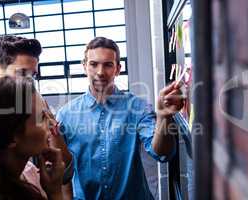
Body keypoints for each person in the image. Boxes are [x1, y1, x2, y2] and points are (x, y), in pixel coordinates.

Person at [56, 37, 184, 199]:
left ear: (118, 69)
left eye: (108, 65)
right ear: (84, 67)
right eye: (94, 64)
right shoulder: (66, 115)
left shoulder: (138, 108)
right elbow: (61, 171)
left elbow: (162, 153)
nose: (100, 72)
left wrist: (164, 117)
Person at [0, 35, 73, 195]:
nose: (29, 82)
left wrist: (52, 133)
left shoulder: (34, 103)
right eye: (22, 74)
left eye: (33, 76)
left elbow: (63, 174)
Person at [0, 76, 65, 200]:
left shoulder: (28, 171)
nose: (52, 124)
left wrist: (53, 190)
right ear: (12, 136)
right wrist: (56, 194)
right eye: (42, 118)